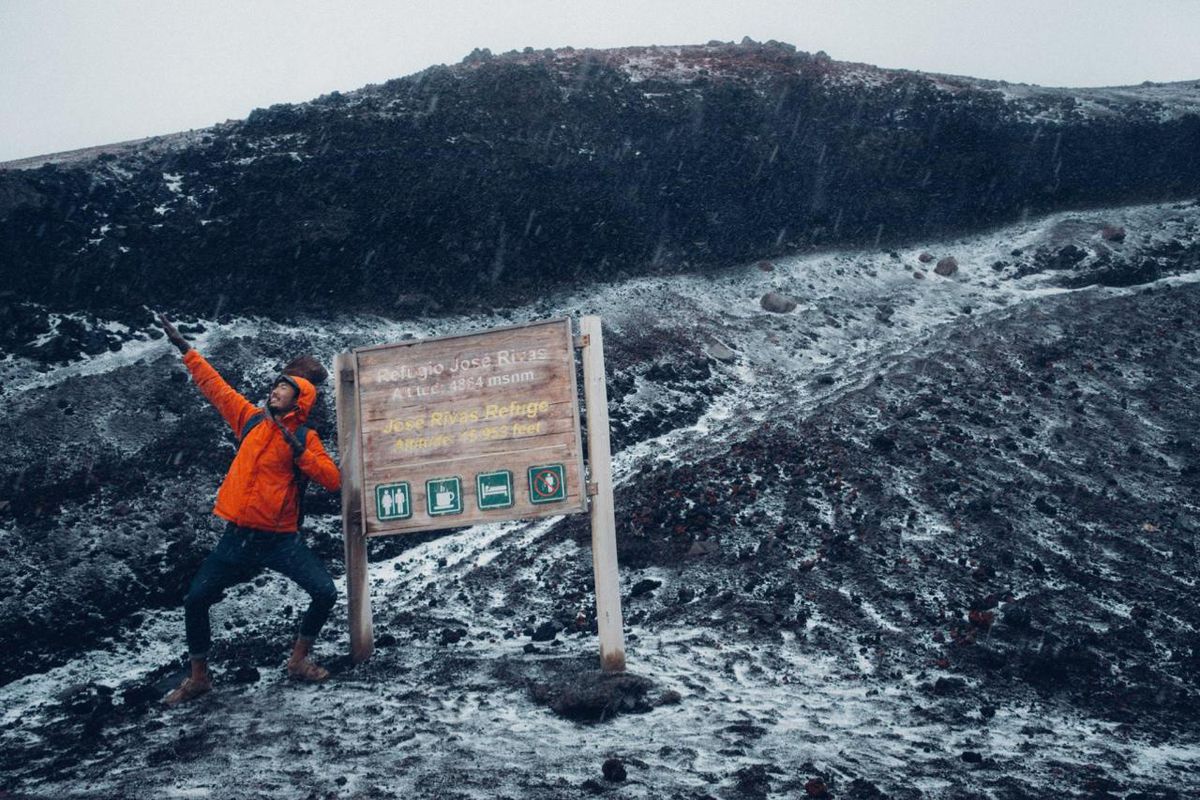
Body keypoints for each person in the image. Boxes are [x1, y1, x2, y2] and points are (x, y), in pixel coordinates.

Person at [156, 313, 341, 706]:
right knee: (195, 600)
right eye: (275, 385)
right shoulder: (251, 421)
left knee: (324, 592)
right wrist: (186, 350)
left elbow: (333, 479)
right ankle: (200, 677)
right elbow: (216, 388)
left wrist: (299, 451)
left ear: (300, 398)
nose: (275, 391)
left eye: (284, 388)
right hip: (238, 537)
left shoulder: (307, 437)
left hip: (280, 540)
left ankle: (298, 660)